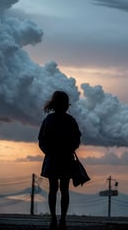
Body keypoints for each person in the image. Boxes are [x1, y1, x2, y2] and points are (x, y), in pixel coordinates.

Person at [38, 90, 81, 230]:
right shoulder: (71, 120)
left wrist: (49, 152)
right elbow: (77, 140)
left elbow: (41, 140)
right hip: (66, 159)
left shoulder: (48, 120)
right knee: (64, 190)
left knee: (53, 189)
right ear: (66, 105)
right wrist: (68, 150)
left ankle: (54, 219)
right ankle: (62, 219)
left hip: (52, 159)